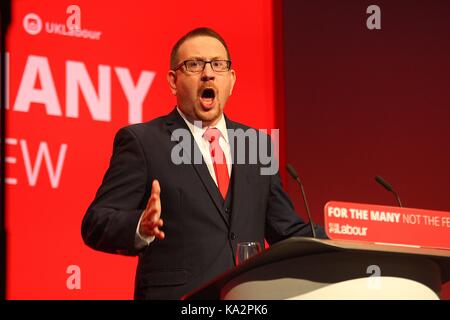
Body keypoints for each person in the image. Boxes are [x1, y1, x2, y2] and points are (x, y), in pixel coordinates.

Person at [81, 27, 326, 300]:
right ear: (173, 81)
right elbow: (96, 222)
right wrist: (140, 225)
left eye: (218, 65)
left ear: (231, 81)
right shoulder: (143, 142)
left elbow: (285, 230)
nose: (208, 73)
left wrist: (346, 235)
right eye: (194, 64)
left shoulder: (257, 146)